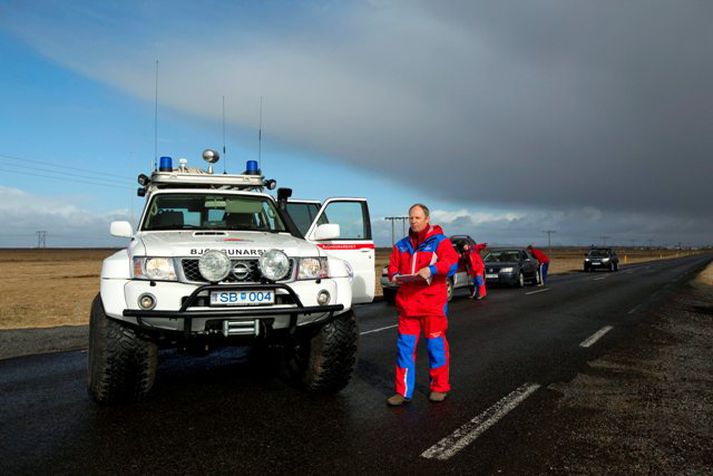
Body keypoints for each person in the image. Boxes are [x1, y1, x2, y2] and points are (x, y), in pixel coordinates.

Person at [386, 203, 459, 406]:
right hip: (408, 308)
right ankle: (402, 391)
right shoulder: (401, 245)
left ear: (427, 219)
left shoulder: (440, 242)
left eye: (417, 218)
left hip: (432, 307)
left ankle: (439, 387)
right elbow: (392, 267)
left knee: (436, 348)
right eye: (411, 218)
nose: (413, 221)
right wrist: (394, 276)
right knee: (404, 350)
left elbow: (452, 264)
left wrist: (432, 269)